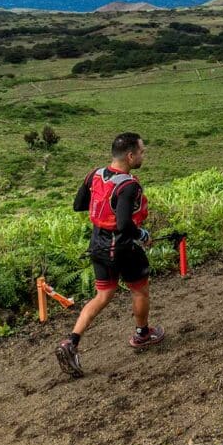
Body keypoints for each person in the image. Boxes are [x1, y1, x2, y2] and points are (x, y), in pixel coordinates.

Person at [55, 132, 165, 378]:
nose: (143, 155)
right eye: (141, 151)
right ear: (130, 155)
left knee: (103, 295)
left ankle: (71, 342)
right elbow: (125, 223)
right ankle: (142, 334)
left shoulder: (94, 175)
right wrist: (143, 234)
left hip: (98, 243)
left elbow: (79, 205)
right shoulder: (129, 185)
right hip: (123, 246)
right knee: (139, 289)